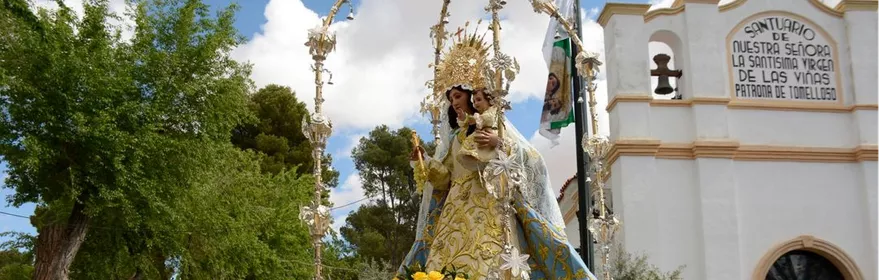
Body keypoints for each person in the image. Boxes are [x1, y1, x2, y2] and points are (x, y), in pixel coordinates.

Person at [399, 24, 596, 280]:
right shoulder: (457, 137)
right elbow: (444, 178)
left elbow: (532, 160)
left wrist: (498, 143)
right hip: (454, 216)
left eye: (458, 95)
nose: (454, 102)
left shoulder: (497, 126)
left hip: (491, 210)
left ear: (473, 96)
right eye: (450, 98)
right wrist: (422, 163)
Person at [456, 88, 499, 170]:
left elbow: (488, 119)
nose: (476, 103)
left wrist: (476, 119)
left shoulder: (492, 112)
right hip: (482, 138)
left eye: (479, 100)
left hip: (491, 135)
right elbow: (472, 120)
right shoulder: (479, 115)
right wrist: (464, 117)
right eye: (474, 101)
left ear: (489, 100)